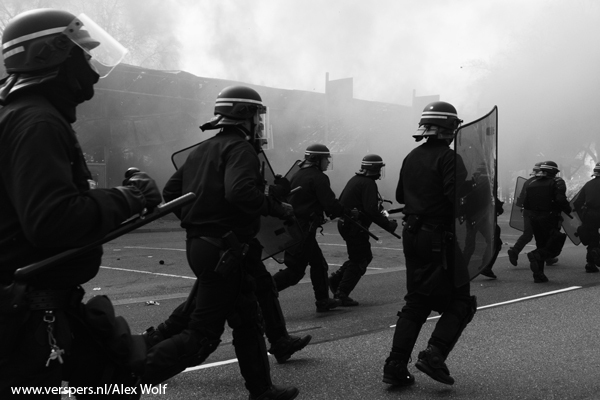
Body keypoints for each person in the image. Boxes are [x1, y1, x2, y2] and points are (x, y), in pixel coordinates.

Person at [0, 9, 161, 397]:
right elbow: (51, 219)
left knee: (120, 381)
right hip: (33, 319)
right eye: (82, 53)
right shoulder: (36, 121)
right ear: (52, 53)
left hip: (40, 309)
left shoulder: (24, 115)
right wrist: (130, 198)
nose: (90, 65)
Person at [144, 86, 299, 400]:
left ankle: (262, 390)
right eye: (257, 116)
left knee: (246, 316)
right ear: (246, 115)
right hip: (224, 247)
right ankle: (127, 376)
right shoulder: (241, 149)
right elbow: (240, 192)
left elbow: (171, 193)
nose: (259, 123)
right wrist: (277, 208)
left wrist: (199, 216)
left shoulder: (202, 149)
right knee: (203, 334)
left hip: (204, 245)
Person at [383, 101, 477, 387]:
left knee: (417, 300)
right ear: (450, 128)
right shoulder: (449, 158)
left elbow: (401, 195)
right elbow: (456, 199)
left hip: (412, 235)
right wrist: (475, 192)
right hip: (438, 237)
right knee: (461, 300)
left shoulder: (411, 156)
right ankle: (434, 355)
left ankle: (396, 365)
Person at [273, 144, 345, 313]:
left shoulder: (297, 174)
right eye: (326, 158)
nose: (328, 162)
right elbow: (329, 203)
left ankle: (323, 300)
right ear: (316, 159)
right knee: (295, 271)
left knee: (319, 264)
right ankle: (261, 294)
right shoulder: (318, 177)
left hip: (295, 226)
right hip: (303, 229)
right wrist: (345, 211)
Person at [329, 154, 398, 306]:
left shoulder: (356, 180)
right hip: (354, 227)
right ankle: (341, 292)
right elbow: (371, 210)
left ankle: (336, 280)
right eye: (379, 168)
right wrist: (388, 225)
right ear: (374, 169)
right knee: (360, 259)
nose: (380, 172)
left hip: (347, 224)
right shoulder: (368, 183)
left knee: (361, 257)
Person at [523, 161, 571, 283]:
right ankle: (535, 255)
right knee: (554, 245)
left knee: (541, 244)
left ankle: (539, 275)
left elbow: (526, 204)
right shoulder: (557, 182)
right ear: (553, 171)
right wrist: (568, 209)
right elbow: (560, 199)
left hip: (534, 219)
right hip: (550, 218)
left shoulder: (531, 184)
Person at [508, 162, 559, 267]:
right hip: (539, 212)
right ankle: (545, 257)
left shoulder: (528, 182)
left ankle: (515, 251)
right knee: (545, 235)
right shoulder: (545, 182)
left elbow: (520, 200)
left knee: (528, 234)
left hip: (527, 212)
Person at [573, 162, 600, 273]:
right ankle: (597, 251)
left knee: (592, 238)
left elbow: (577, 202)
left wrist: (582, 216)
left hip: (590, 215)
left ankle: (590, 263)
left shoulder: (588, 184)